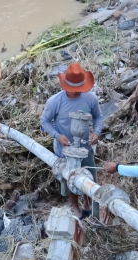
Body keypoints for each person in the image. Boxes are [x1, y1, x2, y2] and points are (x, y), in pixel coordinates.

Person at [40, 63, 103, 219]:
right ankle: (76, 208)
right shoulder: (55, 101)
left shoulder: (90, 99)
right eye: (71, 88)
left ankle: (88, 204)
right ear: (64, 84)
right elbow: (45, 121)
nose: (75, 92)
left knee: (89, 178)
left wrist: (96, 132)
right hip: (65, 149)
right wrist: (57, 135)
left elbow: (98, 116)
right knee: (70, 179)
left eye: (78, 89)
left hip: (85, 148)